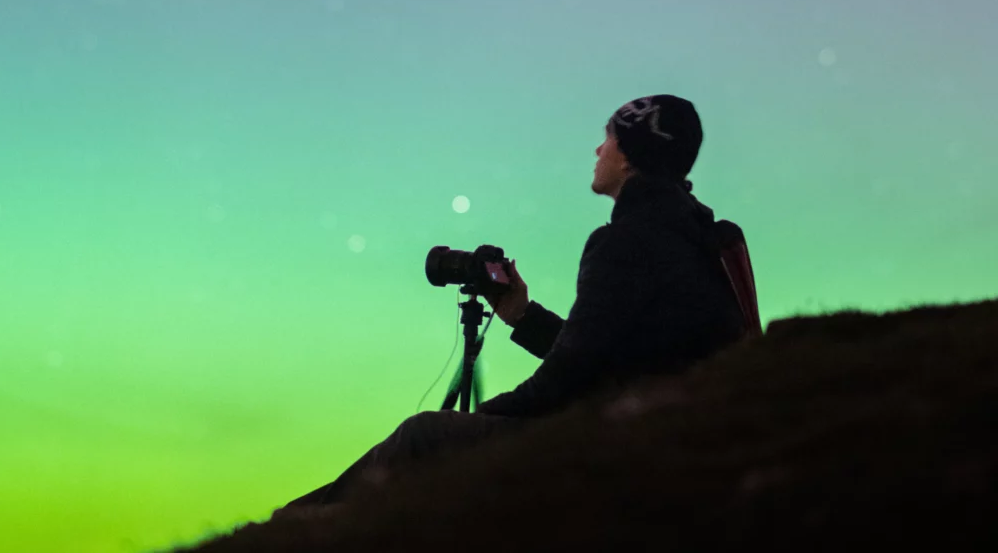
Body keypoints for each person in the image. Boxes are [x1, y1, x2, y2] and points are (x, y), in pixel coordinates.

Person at [272, 94, 748, 518]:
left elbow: (565, 381)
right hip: (664, 424)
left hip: (625, 440)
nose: (598, 150)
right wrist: (522, 314)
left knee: (423, 436)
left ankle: (291, 529)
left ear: (629, 158)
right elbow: (604, 355)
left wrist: (482, 418)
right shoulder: (697, 234)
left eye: (608, 138)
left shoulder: (624, 241)